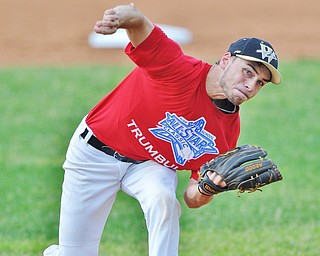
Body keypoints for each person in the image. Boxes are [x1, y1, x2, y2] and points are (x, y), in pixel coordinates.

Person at [43, 3, 282, 256]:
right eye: (248, 72)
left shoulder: (226, 130)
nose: (251, 86)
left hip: (148, 165)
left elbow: (192, 196)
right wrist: (121, 17)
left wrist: (207, 188)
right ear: (225, 60)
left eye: (260, 83)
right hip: (93, 155)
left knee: (164, 200)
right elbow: (140, 25)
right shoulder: (176, 68)